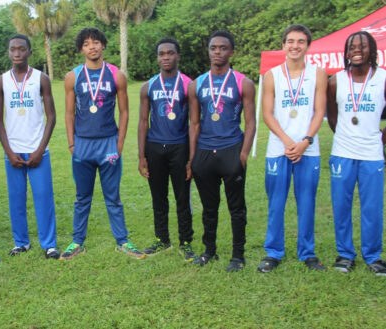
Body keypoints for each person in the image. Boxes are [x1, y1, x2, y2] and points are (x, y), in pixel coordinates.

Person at [62, 27, 144, 260]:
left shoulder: (117, 75)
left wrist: (119, 142)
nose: (92, 47)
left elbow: (125, 111)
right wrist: (71, 144)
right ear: (81, 49)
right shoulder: (73, 76)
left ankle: (123, 241)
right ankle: (77, 242)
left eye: (96, 42)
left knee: (113, 197)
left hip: (108, 143)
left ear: (104, 45)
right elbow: (69, 114)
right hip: (82, 144)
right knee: (82, 197)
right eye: (87, 44)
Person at [259, 24, 327, 273]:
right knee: (276, 202)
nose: (295, 46)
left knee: (307, 202)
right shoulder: (272, 75)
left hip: (308, 148)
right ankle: (273, 252)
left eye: (300, 41)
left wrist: (305, 140)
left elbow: (320, 111)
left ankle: (307, 253)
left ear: (308, 45)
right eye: (290, 41)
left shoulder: (318, 73)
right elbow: (267, 114)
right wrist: (288, 141)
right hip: (279, 149)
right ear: (284, 44)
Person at [189, 30, 256, 271]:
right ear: (208, 51)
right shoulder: (197, 84)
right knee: (209, 208)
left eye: (223, 48)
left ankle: (238, 256)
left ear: (231, 52)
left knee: (236, 207)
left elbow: (250, 122)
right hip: (205, 152)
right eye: (213, 48)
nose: (218, 52)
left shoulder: (243, 82)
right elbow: (194, 123)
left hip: (231, 150)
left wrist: (244, 154)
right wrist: (192, 158)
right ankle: (209, 251)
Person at [0, 34, 59, 259]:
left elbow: (51, 117)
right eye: (13, 49)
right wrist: (8, 152)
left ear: (30, 52)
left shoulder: (41, 78)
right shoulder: (1, 81)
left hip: (38, 150)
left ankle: (49, 244)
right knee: (16, 198)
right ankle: (21, 242)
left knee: (43, 196)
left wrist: (40, 149)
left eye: (22, 49)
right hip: (13, 152)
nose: (17, 53)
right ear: (8, 52)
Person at [327, 31, 386, 276]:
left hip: (372, 154)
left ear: (372, 50)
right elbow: (332, 117)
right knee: (342, 205)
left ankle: (373, 256)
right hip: (342, 152)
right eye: (352, 47)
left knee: (372, 207)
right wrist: (345, 135)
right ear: (347, 52)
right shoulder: (335, 81)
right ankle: (345, 254)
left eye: (362, 46)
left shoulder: (383, 78)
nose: (357, 50)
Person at [138, 38, 195, 260]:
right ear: (158, 57)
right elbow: (143, 122)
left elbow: (194, 123)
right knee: (158, 196)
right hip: (155, 148)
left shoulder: (189, 84)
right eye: (161, 54)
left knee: (182, 197)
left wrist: (192, 157)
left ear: (178, 56)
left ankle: (186, 241)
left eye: (170, 53)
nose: (166, 57)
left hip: (180, 147)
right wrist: (141, 155)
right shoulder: (148, 86)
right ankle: (162, 239)